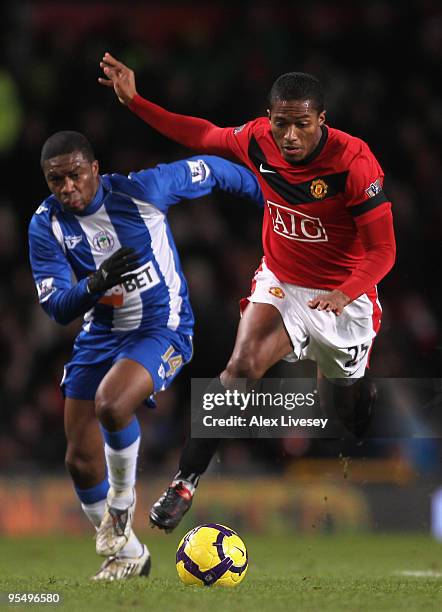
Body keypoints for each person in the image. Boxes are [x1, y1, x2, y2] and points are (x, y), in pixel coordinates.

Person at [98, 52, 396, 532]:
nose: (290, 136)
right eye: (282, 123)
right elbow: (200, 134)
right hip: (282, 279)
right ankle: (185, 481)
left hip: (345, 296)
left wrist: (344, 293)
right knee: (241, 367)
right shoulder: (258, 138)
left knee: (347, 409)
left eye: (301, 124)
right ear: (270, 116)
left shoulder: (354, 163)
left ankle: (358, 388)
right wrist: (136, 102)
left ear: (322, 120)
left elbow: (383, 252)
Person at [28, 130, 263, 579]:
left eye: (74, 175)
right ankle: (129, 554)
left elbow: (213, 170)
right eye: (55, 180)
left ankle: (121, 505)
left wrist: (270, 199)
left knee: (112, 405)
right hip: (101, 332)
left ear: (94, 169)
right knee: (79, 458)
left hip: (163, 327)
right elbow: (57, 307)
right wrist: (96, 284)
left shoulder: (142, 190)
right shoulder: (47, 223)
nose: (66, 188)